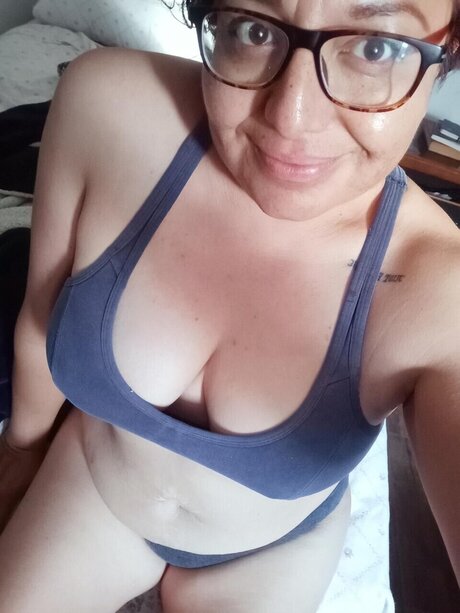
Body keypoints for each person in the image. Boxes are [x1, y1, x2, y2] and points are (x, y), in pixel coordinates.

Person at [0, 0, 459, 610]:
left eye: (376, 48)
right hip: (98, 487)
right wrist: (20, 452)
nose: (291, 118)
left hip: (271, 551)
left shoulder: (441, 287)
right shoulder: (105, 107)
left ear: (449, 50)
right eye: (252, 28)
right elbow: (38, 321)